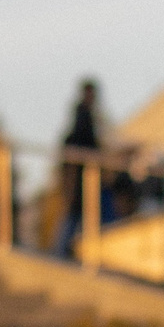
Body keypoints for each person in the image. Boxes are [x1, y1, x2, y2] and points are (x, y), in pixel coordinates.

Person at [54, 78, 100, 257]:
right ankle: (61, 251)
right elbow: (86, 145)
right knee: (74, 214)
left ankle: (64, 250)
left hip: (78, 178)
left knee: (76, 214)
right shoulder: (83, 117)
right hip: (78, 178)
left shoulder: (83, 116)